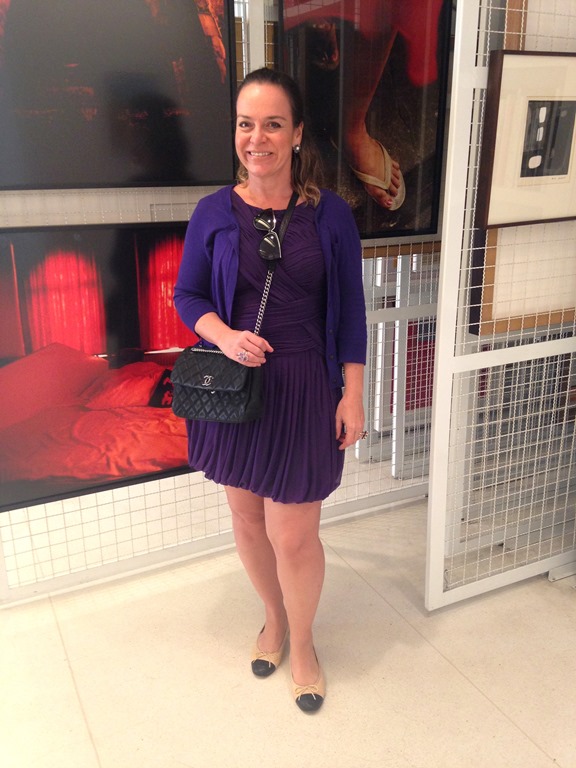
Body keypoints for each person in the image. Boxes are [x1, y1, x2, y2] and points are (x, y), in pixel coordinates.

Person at [174, 67, 367, 713]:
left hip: (306, 386)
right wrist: (224, 335)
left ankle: (304, 643)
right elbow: (188, 295)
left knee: (294, 536)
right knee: (248, 518)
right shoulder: (212, 211)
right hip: (236, 390)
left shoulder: (330, 214)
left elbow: (351, 312)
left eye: (273, 124)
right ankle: (274, 618)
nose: (257, 138)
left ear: (298, 133)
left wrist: (353, 393)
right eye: (245, 124)